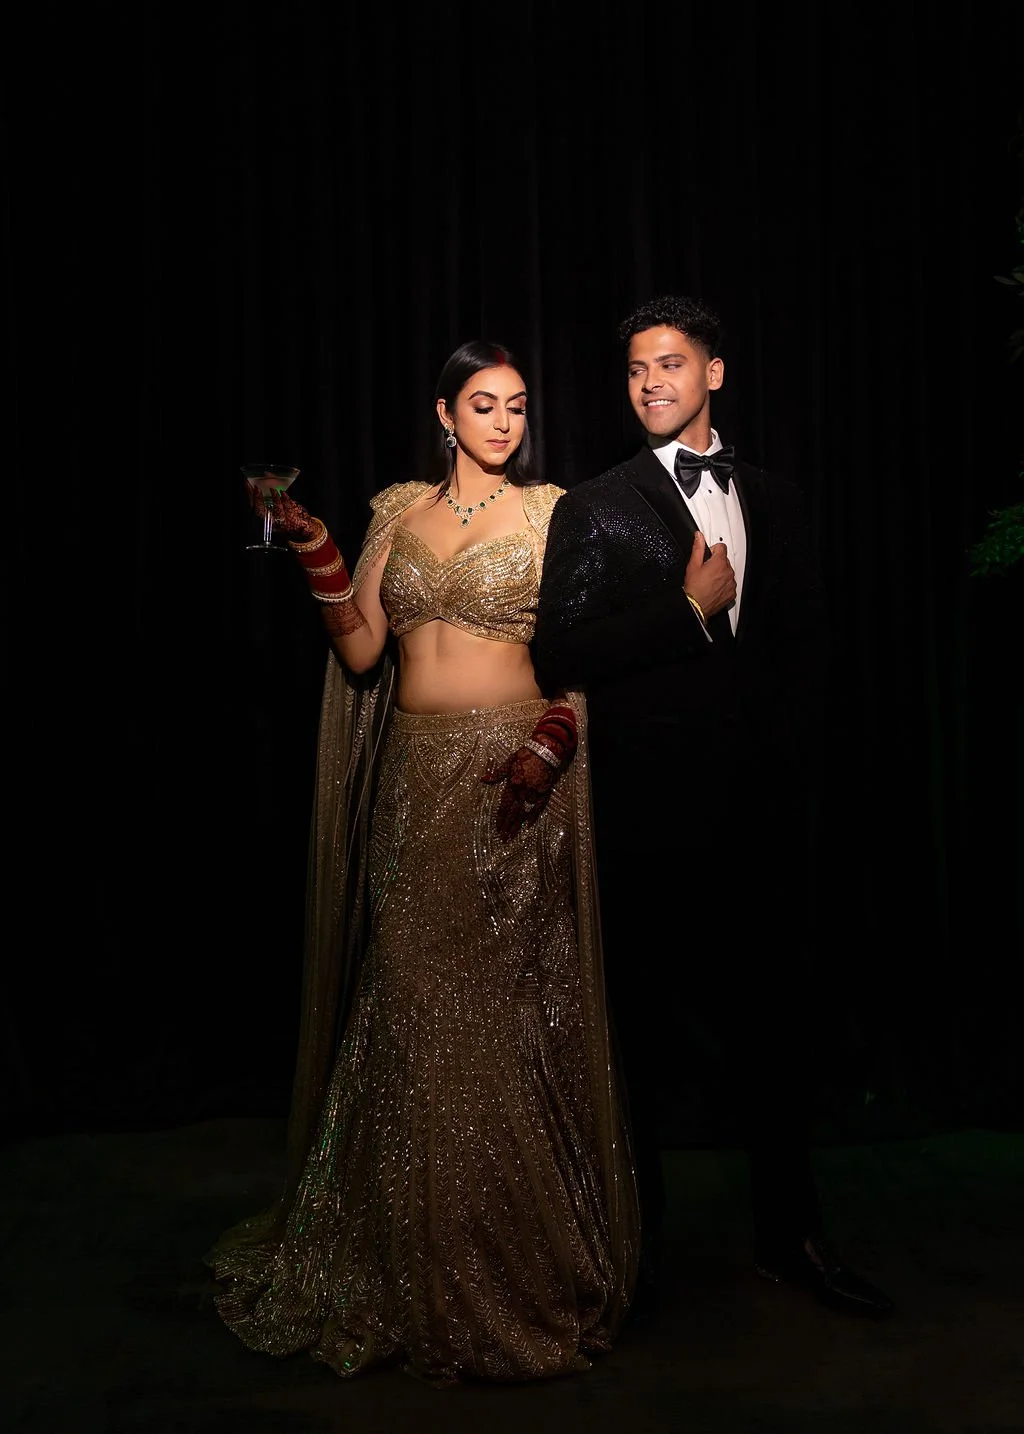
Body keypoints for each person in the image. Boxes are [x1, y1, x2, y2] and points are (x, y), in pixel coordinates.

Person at [205, 340, 640, 1387]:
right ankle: (404, 1269)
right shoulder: (396, 512)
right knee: (407, 1011)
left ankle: (512, 1275)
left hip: (508, 777)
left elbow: (578, 662)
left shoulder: (551, 515)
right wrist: (315, 545)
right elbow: (361, 648)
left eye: (517, 406)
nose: (505, 423)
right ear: (444, 415)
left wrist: (548, 749)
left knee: (499, 1020)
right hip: (413, 780)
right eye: (484, 405)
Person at [531, 295, 894, 1319]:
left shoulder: (778, 497)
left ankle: (793, 1236)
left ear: (713, 373)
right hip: (652, 820)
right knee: (643, 1043)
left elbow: (808, 652)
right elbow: (557, 651)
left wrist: (799, 780)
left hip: (764, 820)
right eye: (637, 368)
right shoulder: (596, 504)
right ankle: (634, 1257)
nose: (651, 382)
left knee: (776, 1034)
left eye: (670, 363)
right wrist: (683, 613)